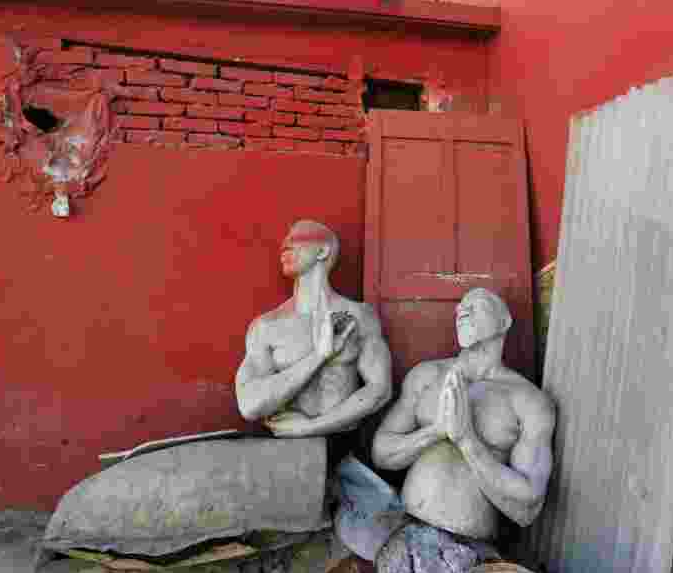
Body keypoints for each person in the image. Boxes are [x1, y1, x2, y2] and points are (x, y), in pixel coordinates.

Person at [371, 288, 554, 539]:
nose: (462, 310)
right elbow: (380, 452)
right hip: (406, 529)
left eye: (476, 304)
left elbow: (529, 504)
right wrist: (435, 431)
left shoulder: (529, 401)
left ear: (505, 321)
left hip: (469, 544)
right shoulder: (426, 375)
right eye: (459, 308)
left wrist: (467, 440)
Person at [236, 220, 392, 437]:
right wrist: (319, 356)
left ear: (323, 251)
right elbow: (249, 404)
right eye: (285, 242)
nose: (285, 246)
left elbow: (380, 390)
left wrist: (310, 428)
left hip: (340, 451)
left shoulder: (359, 316)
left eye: (295, 240)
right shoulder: (267, 326)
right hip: (288, 455)